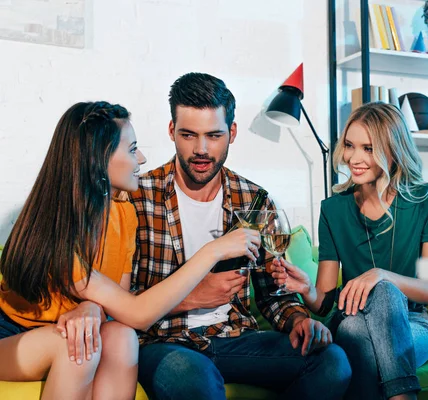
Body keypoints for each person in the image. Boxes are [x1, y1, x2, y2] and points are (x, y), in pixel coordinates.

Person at [0, 101, 259, 400]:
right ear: (99, 158)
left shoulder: (124, 213)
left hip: (68, 327)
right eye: (132, 148)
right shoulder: (55, 228)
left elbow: (120, 308)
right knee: (76, 345)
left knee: (121, 336)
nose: (142, 158)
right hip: (14, 333)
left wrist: (92, 307)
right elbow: (139, 314)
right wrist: (213, 251)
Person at [128, 72, 351, 400]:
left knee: (332, 362)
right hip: (165, 342)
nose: (201, 150)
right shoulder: (138, 198)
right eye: (189, 135)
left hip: (235, 338)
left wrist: (298, 320)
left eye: (214, 135)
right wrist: (194, 297)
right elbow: (120, 304)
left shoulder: (253, 199)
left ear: (232, 133)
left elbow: (273, 293)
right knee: (192, 378)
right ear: (172, 131)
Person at [271, 102, 428, 400]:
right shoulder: (333, 209)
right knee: (355, 326)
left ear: (393, 150)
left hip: (413, 323)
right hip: (351, 317)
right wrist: (306, 289)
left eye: (368, 149)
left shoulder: (425, 200)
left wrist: (380, 276)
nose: (354, 158)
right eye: (350, 146)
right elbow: (324, 303)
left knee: (376, 302)